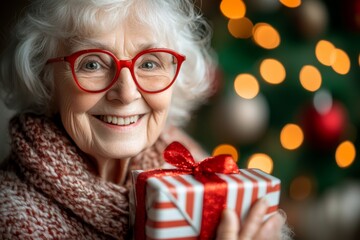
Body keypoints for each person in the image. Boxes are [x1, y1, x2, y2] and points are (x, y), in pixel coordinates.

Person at [0, 0, 292, 239]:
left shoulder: (180, 153)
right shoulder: (13, 218)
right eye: (92, 63)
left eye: (150, 63)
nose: (126, 93)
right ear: (46, 80)